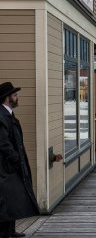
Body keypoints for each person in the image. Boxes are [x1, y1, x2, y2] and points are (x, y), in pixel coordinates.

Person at [0, 82, 40, 238]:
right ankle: (4, 233)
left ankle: (10, 231)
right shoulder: (2, 116)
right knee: (5, 200)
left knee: (12, 199)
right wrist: (16, 159)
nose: (17, 97)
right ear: (7, 98)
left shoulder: (7, 114)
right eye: (15, 95)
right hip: (5, 167)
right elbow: (3, 143)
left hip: (10, 166)